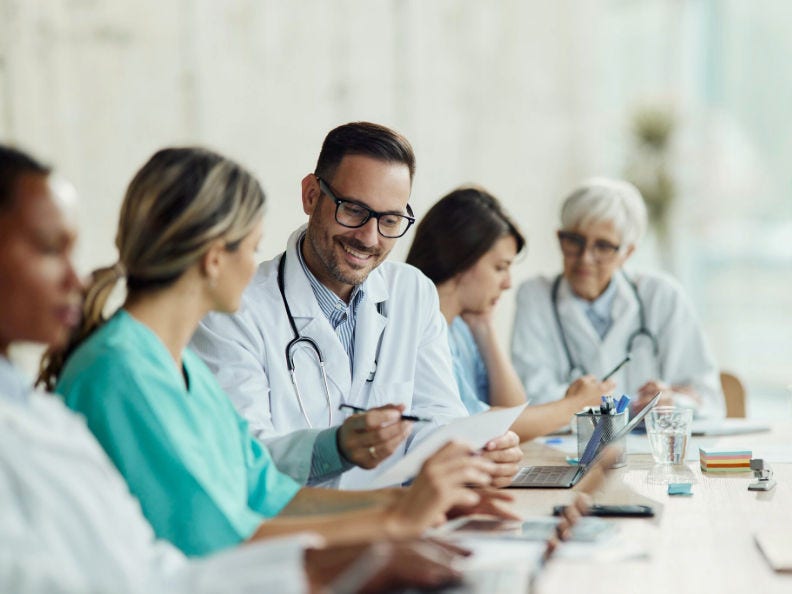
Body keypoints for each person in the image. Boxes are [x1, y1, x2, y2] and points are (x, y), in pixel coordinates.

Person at [0, 144, 470, 593]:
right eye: (252, 247)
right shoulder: (120, 372)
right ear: (213, 259)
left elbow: (268, 494)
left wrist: (407, 505)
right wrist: (393, 524)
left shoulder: (180, 368)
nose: (257, 267)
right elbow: (223, 541)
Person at [190, 122, 521, 489]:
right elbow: (241, 458)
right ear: (311, 195)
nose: (369, 238)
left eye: (390, 220)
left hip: (398, 521)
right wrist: (335, 449)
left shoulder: (413, 293)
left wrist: (474, 450)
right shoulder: (233, 308)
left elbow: (438, 417)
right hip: (298, 531)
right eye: (353, 211)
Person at [406, 186, 614, 440]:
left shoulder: (460, 329)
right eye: (500, 268)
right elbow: (484, 427)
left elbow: (510, 410)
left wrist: (485, 329)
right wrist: (574, 405)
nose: (507, 283)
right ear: (460, 260)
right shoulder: (416, 332)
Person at [511, 178, 725, 418]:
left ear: (627, 252)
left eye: (602, 246)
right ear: (560, 237)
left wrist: (672, 401)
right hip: (565, 453)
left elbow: (708, 401)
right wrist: (626, 405)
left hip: (651, 453)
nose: (585, 258)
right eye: (575, 241)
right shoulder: (535, 297)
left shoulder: (662, 297)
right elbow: (531, 403)